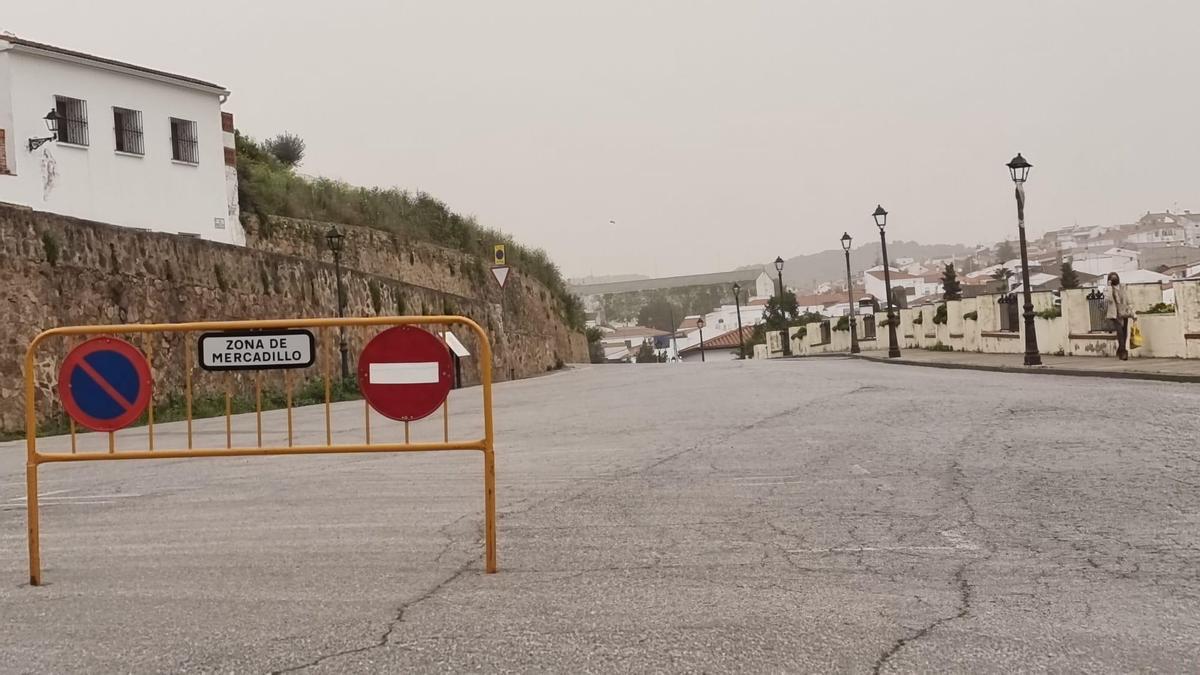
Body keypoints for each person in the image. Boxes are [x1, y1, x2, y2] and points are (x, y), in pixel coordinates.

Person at [1104, 272, 1134, 360]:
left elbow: (1128, 300)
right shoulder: (1107, 289)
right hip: (1115, 314)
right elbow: (1109, 299)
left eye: (1115, 277)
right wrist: (1109, 287)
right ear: (1109, 280)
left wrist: (1132, 313)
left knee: (1125, 333)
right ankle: (1123, 352)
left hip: (1124, 313)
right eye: (1112, 278)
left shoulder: (1123, 287)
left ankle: (1120, 349)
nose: (1114, 279)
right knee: (1120, 333)